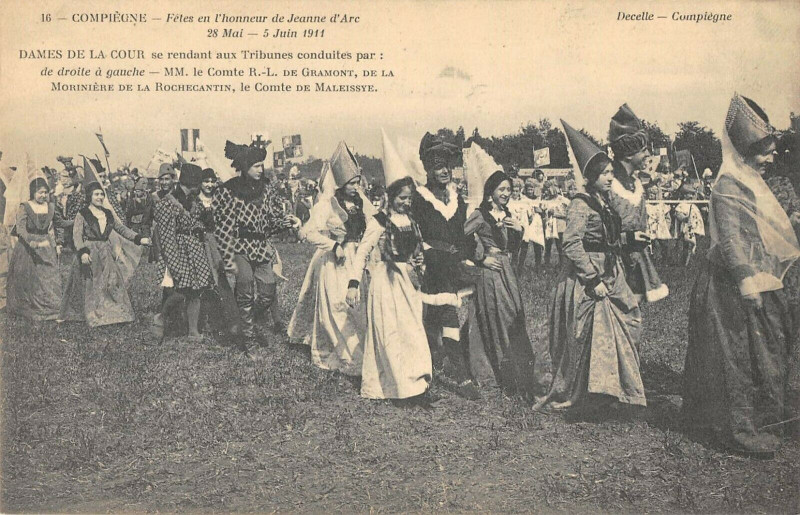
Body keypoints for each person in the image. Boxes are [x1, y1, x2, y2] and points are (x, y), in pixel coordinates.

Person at [683, 94, 800, 457]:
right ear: (746, 151)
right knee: (735, 358)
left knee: (768, 351)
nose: (771, 158)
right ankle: (739, 430)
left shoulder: (750, 179)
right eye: (765, 152)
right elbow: (731, 239)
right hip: (731, 287)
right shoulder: (728, 184)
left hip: (759, 280)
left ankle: (767, 417)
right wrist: (747, 279)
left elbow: (762, 231)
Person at [535, 121, 645, 415]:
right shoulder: (580, 204)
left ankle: (616, 389)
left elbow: (607, 237)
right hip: (589, 275)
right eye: (606, 174)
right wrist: (592, 278)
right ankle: (593, 394)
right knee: (591, 333)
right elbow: (572, 243)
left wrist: (629, 237)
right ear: (592, 176)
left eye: (611, 172)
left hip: (612, 269)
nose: (611, 178)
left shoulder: (605, 202)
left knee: (629, 318)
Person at [346, 174, 463, 404]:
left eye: (409, 199)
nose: (406, 203)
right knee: (390, 334)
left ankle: (417, 384)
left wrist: (420, 262)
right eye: (402, 198)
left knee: (412, 332)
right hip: (386, 282)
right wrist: (353, 283)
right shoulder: (379, 221)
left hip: (407, 282)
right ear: (390, 197)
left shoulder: (411, 221)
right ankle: (397, 387)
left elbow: (416, 250)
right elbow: (362, 252)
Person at [288, 142, 375, 375]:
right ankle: (347, 356)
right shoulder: (327, 204)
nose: (356, 188)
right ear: (341, 183)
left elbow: (373, 225)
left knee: (358, 308)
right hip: (336, 261)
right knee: (338, 307)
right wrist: (333, 244)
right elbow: (309, 233)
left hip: (357, 261)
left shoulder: (361, 202)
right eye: (352, 183)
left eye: (358, 183)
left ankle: (361, 349)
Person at [412, 132, 480, 400]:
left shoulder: (456, 199)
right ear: (428, 169)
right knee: (441, 314)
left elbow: (463, 234)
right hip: (429, 264)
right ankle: (458, 373)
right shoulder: (418, 198)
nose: (445, 172)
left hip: (451, 264)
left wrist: (466, 253)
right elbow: (411, 233)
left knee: (442, 314)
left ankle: (442, 363)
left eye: (448, 167)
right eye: (439, 167)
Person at [462, 170, 541, 400]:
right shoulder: (479, 215)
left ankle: (515, 370)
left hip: (508, 272)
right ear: (491, 193)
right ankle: (498, 372)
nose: (507, 193)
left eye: (509, 189)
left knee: (513, 316)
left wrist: (519, 231)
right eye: (502, 189)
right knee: (497, 317)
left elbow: (513, 249)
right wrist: (480, 258)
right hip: (491, 272)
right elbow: (461, 238)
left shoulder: (508, 214)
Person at [213, 140, 298, 343]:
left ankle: (246, 321)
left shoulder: (266, 189)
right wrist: (226, 252)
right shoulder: (228, 190)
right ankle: (248, 339)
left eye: (262, 165)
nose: (262, 169)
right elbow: (219, 224)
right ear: (245, 167)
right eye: (257, 166)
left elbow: (272, 220)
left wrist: (287, 222)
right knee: (244, 289)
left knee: (268, 292)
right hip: (239, 247)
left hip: (262, 247)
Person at [59, 181, 150, 327]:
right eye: (96, 194)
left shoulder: (107, 213)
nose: (100, 197)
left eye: (102, 194)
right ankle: (92, 313)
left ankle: (113, 313)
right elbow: (77, 235)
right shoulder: (83, 214)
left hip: (105, 252)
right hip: (89, 252)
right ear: (90, 196)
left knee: (111, 282)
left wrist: (139, 238)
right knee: (91, 284)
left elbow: (121, 229)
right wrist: (82, 252)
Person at [607, 103, 669, 303]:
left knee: (633, 319)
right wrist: (626, 238)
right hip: (610, 267)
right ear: (629, 154)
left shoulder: (635, 183)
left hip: (635, 264)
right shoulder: (607, 185)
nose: (648, 156)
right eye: (644, 150)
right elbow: (597, 232)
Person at [152, 163, 215, 341]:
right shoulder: (167, 204)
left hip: (195, 250)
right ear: (192, 183)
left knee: (196, 290)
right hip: (178, 251)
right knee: (180, 290)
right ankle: (161, 317)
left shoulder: (195, 202)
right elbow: (166, 237)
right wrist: (174, 264)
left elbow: (203, 223)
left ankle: (193, 331)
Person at [6, 177, 63, 320]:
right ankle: (30, 305)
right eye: (39, 192)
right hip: (27, 247)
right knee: (29, 276)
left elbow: (60, 222)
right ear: (33, 193)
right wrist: (31, 242)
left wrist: (79, 218)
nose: (43, 195)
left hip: (46, 245)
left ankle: (51, 305)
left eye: (45, 192)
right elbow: (20, 229)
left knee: (49, 276)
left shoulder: (50, 206)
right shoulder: (25, 206)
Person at [541, 180, 569, 265]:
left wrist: (556, 213)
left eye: (548, 189)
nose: (547, 191)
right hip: (549, 226)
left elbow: (567, 213)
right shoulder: (546, 200)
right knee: (548, 246)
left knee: (560, 247)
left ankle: (562, 265)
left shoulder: (563, 200)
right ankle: (546, 264)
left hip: (560, 226)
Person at [523, 177, 545, 267]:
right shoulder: (524, 199)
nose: (530, 191)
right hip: (527, 223)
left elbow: (543, 212)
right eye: (528, 189)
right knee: (524, 245)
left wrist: (539, 210)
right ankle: (520, 266)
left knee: (537, 245)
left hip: (536, 224)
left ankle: (538, 266)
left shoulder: (538, 199)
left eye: (532, 189)